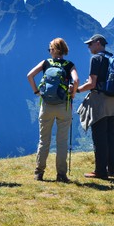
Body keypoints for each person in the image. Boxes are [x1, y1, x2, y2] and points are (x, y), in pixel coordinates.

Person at [27, 38, 79, 183]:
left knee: (44, 140)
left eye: (50, 48)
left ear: (54, 50)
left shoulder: (45, 63)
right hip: (64, 106)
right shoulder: (69, 65)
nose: (49, 51)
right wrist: (72, 94)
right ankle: (61, 175)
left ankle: (39, 173)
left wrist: (37, 92)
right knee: (62, 142)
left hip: (47, 105)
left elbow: (29, 75)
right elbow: (76, 81)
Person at [77, 34, 114, 179]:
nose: (88, 47)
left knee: (99, 137)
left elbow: (92, 83)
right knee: (111, 137)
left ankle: (100, 171)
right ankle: (112, 171)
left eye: (90, 44)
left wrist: (76, 90)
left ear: (98, 43)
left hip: (100, 102)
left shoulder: (96, 59)